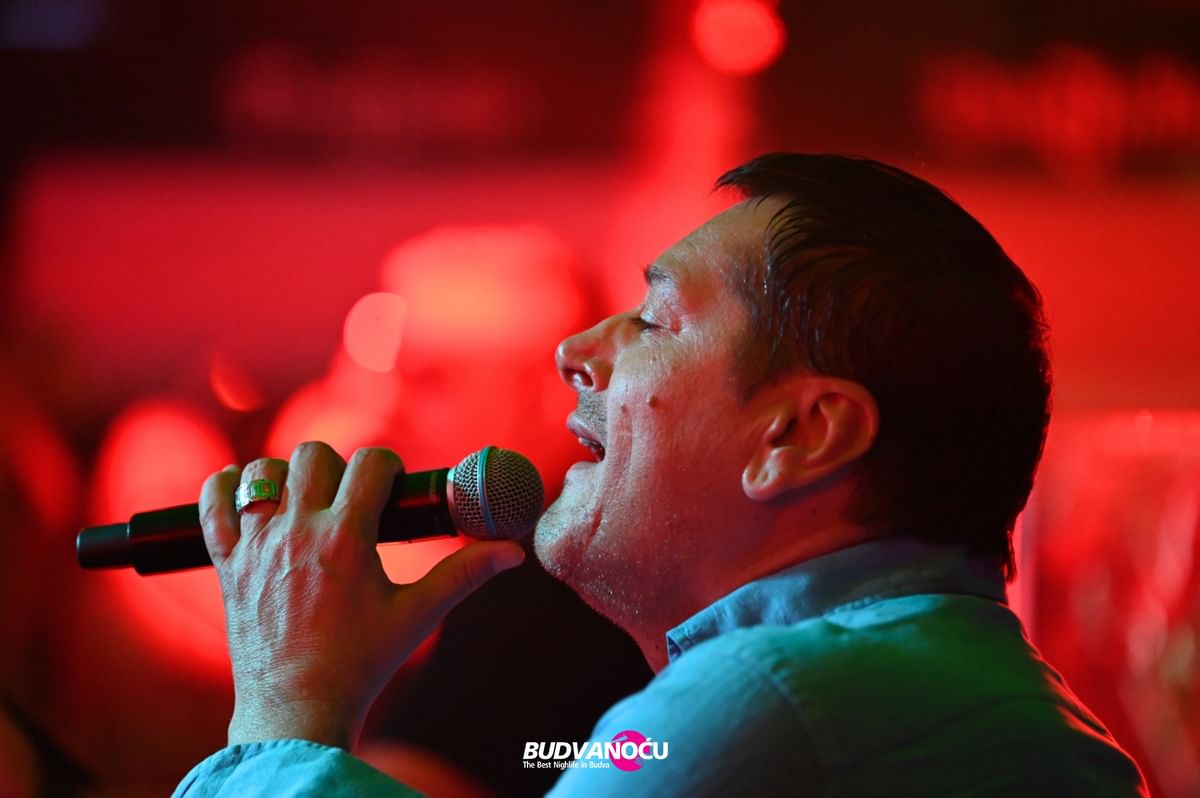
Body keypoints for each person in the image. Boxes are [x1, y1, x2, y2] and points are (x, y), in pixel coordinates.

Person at [173, 154, 1148, 796]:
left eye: (653, 321)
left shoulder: (765, 698)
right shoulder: (984, 700)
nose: (575, 353)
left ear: (800, 433)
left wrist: (284, 707)